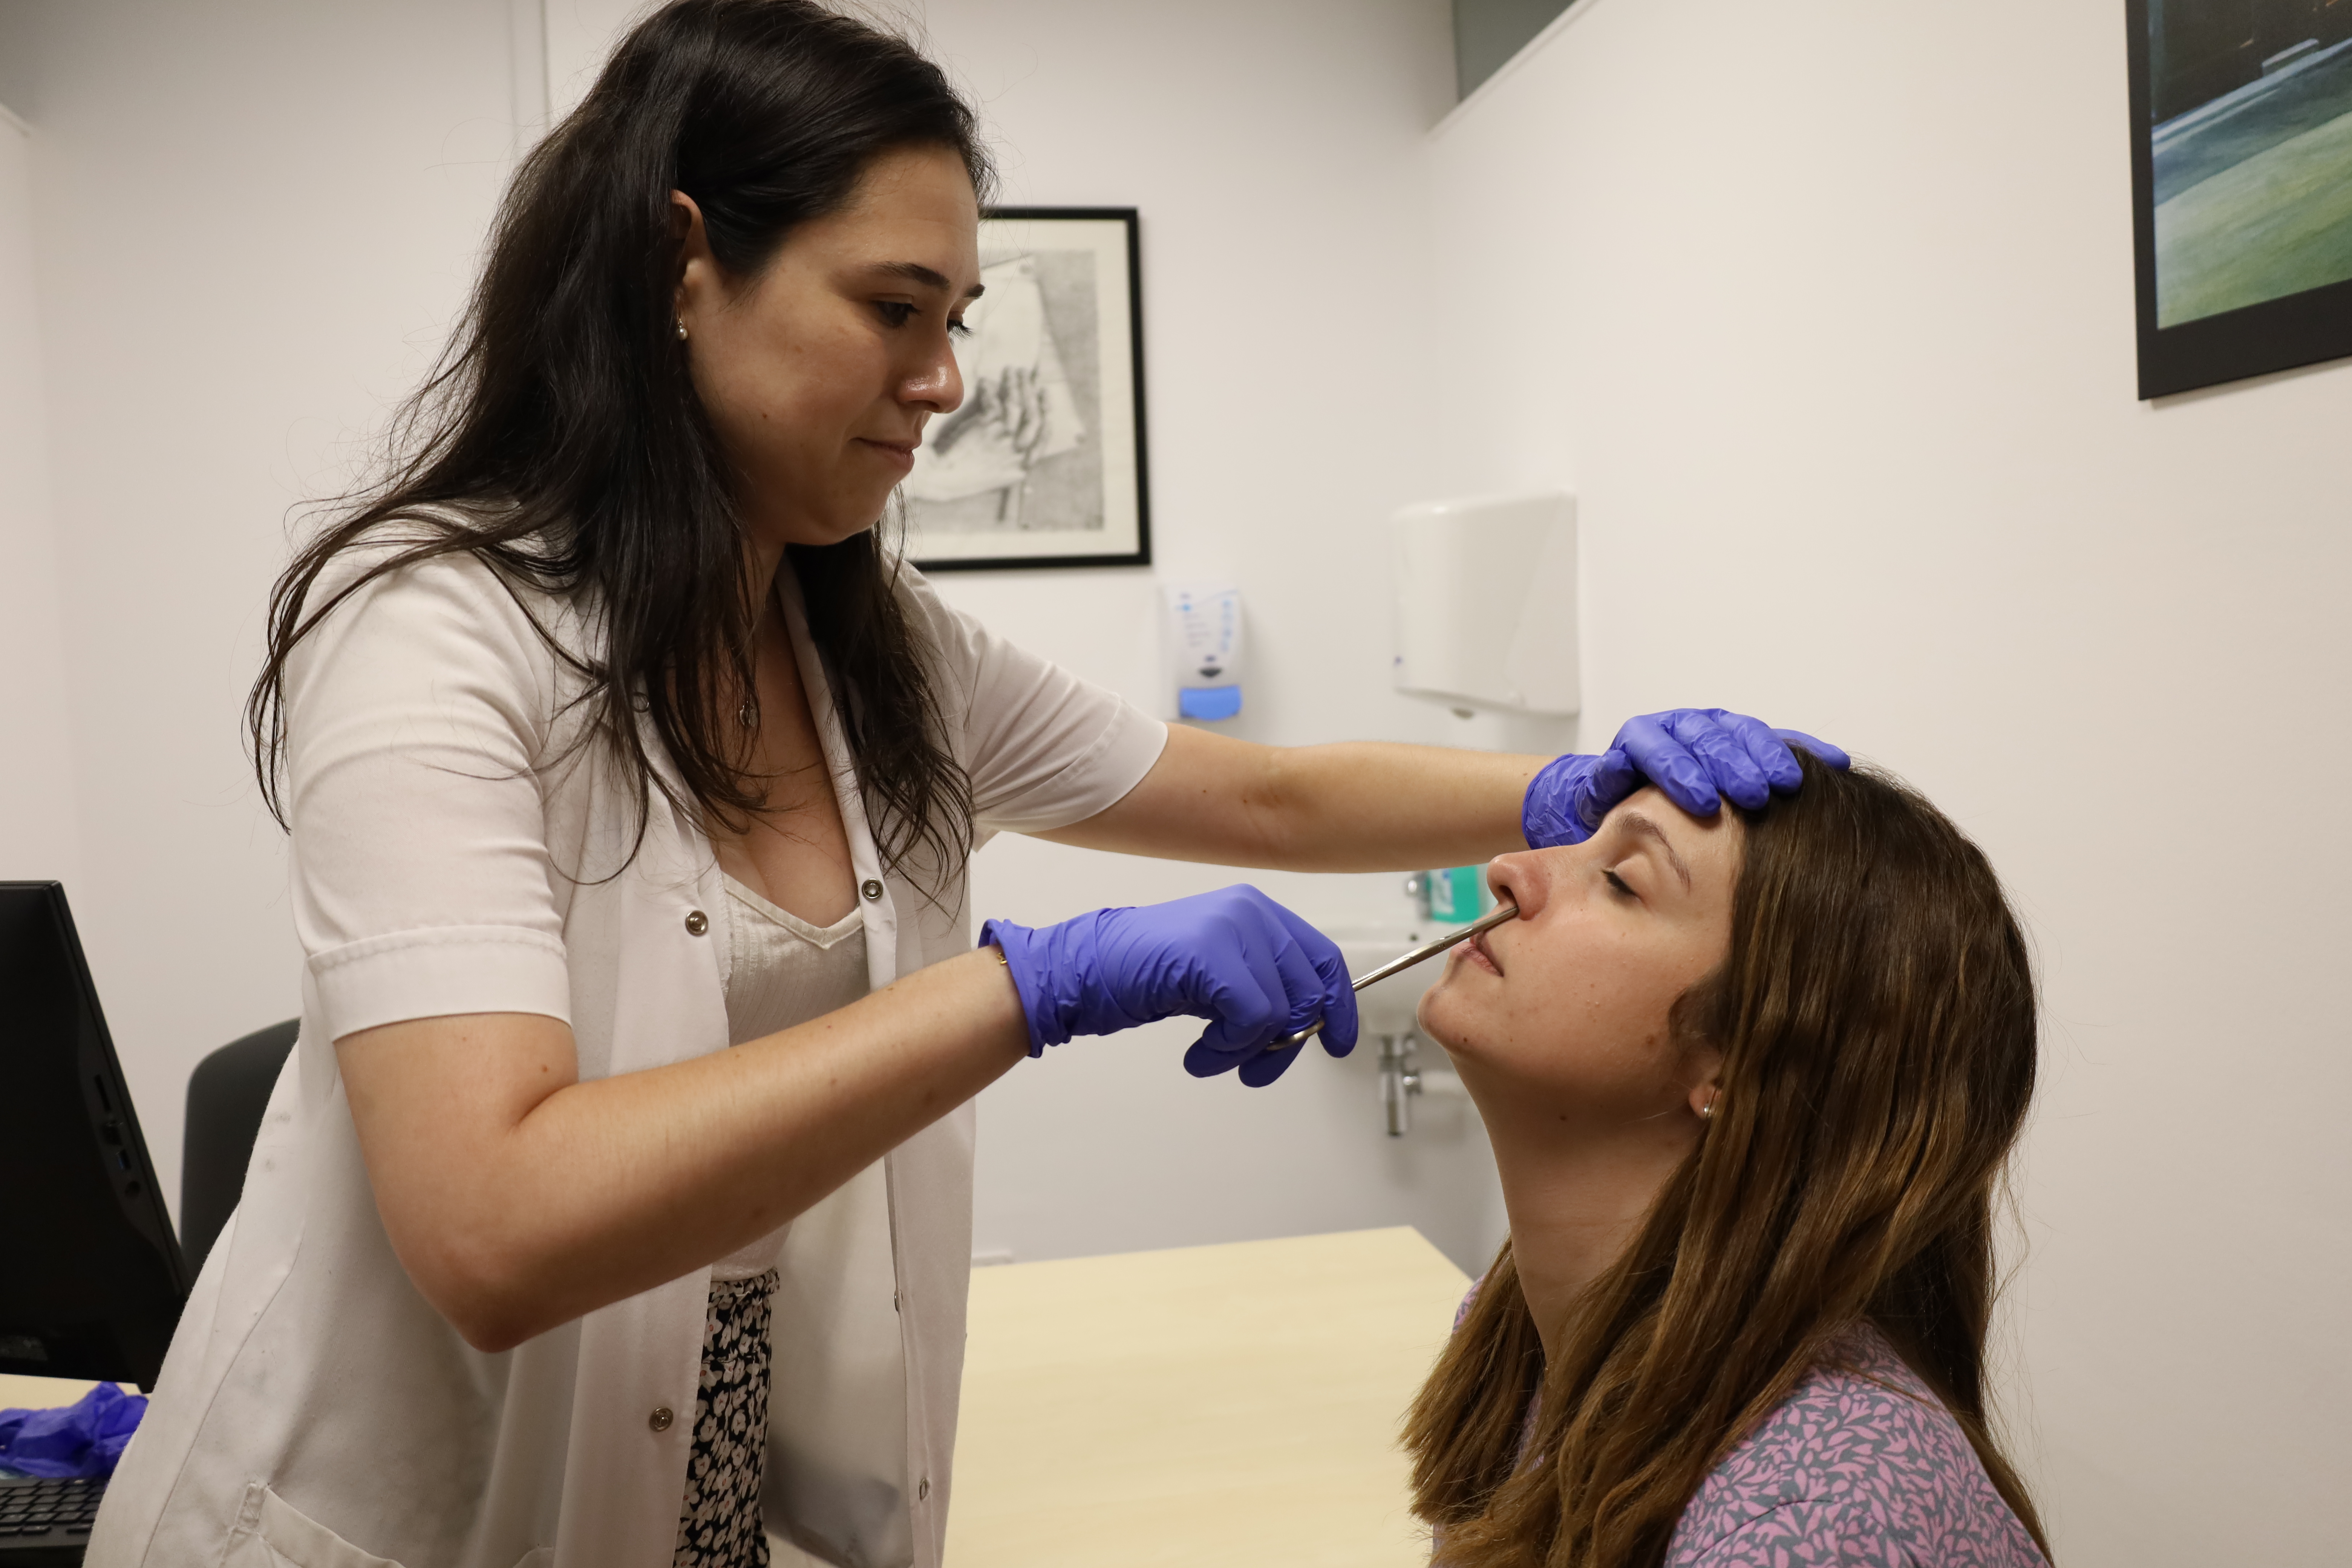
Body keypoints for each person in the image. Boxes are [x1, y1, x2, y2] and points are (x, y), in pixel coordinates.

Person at [87, 5, 1841, 1568]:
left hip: (706, 1480)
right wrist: (1030, 990)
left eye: (955, 320)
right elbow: (493, 1225)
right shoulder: (436, 637)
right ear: (682, 263)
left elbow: (1269, 803)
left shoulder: (874, 648)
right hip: (393, 1513)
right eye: (892, 309)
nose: (942, 382)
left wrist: (1575, 784)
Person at [1404, 751, 2049, 1568]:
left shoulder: (1819, 1519)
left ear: (1738, 1068)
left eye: (1622, 881)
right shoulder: (1516, 1337)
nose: (1508, 870)